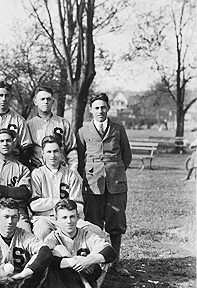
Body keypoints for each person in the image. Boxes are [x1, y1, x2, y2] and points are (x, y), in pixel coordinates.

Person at [77, 93, 132, 276]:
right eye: (97, 108)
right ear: (91, 109)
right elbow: (79, 159)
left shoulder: (118, 129)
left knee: (116, 223)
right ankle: (96, 261)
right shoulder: (83, 131)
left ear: (108, 108)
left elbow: (127, 155)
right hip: (93, 183)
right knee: (93, 223)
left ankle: (115, 262)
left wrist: (114, 170)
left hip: (116, 183)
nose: (100, 111)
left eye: (103, 107)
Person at [43, 199, 117, 288]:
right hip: (60, 286)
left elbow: (110, 253)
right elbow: (45, 260)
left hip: (85, 279)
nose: (69, 221)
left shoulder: (87, 234)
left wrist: (88, 260)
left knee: (96, 263)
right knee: (60, 252)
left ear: (78, 217)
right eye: (64, 217)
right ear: (56, 219)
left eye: (72, 216)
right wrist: (71, 261)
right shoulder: (52, 238)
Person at [29, 135, 101, 241]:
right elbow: (34, 205)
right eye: (49, 152)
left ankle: (84, 256)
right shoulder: (37, 174)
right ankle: (42, 257)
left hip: (69, 218)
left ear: (61, 152)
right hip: (44, 218)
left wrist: (52, 207)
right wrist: (60, 203)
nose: (53, 155)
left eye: (56, 151)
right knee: (41, 230)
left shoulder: (70, 175)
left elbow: (79, 206)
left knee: (94, 230)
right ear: (42, 154)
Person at [27, 86, 78, 170]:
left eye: (48, 99)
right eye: (42, 99)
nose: (46, 102)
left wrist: (73, 170)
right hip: (37, 171)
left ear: (53, 101)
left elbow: (71, 150)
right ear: (35, 102)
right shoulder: (29, 125)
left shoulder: (63, 123)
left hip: (60, 170)